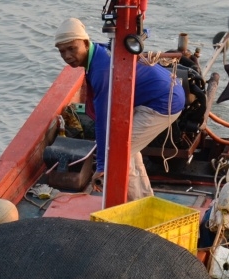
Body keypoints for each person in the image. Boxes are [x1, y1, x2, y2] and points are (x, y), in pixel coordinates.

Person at [54, 17, 186, 201]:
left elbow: (103, 121)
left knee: (118, 154)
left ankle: (134, 208)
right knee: (129, 148)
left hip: (163, 102)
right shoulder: (99, 51)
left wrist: (101, 165)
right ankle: (144, 200)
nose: (67, 56)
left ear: (85, 43)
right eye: (62, 52)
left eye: (72, 49)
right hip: (158, 95)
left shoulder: (101, 70)